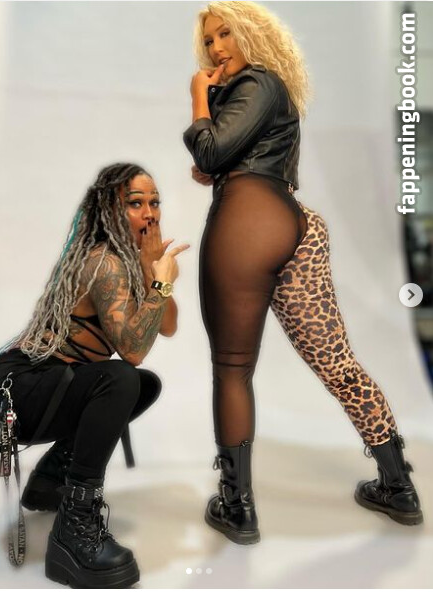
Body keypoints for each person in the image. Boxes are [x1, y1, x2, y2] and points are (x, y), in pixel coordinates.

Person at [183, 0, 423, 545]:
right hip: (296, 224)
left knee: (232, 369)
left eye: (225, 34)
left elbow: (212, 150)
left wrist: (198, 96)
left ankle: (237, 507)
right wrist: (214, 155)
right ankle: (398, 485)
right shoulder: (270, 90)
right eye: (209, 41)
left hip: (247, 225)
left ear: (251, 33)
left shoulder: (255, 82)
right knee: (337, 362)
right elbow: (227, 157)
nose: (216, 48)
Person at [0, 163, 189, 588]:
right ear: (109, 209)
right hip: (20, 390)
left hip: (47, 386)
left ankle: (50, 480)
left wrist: (152, 269)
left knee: (141, 385)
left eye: (154, 203)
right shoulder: (104, 262)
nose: (150, 214)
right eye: (135, 203)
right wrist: (162, 285)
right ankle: (74, 528)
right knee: (122, 378)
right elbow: (133, 350)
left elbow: (167, 326)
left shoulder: (127, 261)